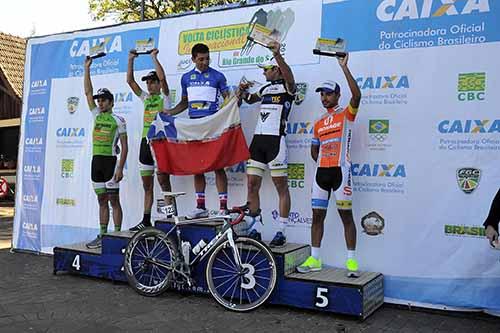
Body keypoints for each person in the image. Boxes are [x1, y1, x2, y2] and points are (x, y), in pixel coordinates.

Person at [296, 54, 361, 277]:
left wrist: (344, 67)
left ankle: (351, 262)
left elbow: (357, 95)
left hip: (342, 171)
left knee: (346, 216)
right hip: (321, 173)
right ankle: (315, 258)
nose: (324, 97)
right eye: (322, 94)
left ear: (337, 95)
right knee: (317, 216)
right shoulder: (319, 123)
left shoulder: (346, 115)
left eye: (329, 93)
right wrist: (322, 162)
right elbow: (314, 149)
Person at [236, 41, 295, 248]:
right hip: (258, 141)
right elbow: (250, 99)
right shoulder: (266, 87)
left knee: (281, 187)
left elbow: (288, 75)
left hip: (276, 142)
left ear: (276, 69)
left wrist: (277, 54)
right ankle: (255, 228)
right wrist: (241, 91)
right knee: (252, 185)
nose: (263, 74)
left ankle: (282, 230)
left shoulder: (289, 87)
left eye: (266, 70)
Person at [168, 43, 230, 219]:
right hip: (194, 127)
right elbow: (183, 103)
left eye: (207, 58)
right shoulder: (186, 78)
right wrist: (169, 113)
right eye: (201, 59)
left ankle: (223, 207)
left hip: (212, 125)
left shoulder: (218, 76)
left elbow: (228, 99)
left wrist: (230, 106)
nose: (204, 62)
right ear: (193, 59)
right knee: (198, 167)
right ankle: (200, 206)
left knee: (218, 166)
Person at [83, 57, 128, 249]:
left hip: (110, 163)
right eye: (99, 101)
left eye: (103, 101)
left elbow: (125, 146)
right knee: (101, 200)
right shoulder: (96, 115)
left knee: (113, 200)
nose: (100, 103)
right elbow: (87, 92)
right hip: (96, 163)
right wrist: (87, 68)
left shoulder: (118, 120)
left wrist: (120, 168)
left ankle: (117, 235)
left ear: (111, 103)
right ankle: (103, 234)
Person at [126, 48, 172, 231]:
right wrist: (131, 60)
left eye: (153, 82)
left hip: (160, 144)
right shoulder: (146, 98)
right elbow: (130, 81)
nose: (150, 85)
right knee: (147, 185)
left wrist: (154, 58)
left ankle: (169, 218)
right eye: (148, 83)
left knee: (163, 182)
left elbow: (163, 79)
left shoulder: (165, 97)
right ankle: (146, 220)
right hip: (145, 144)